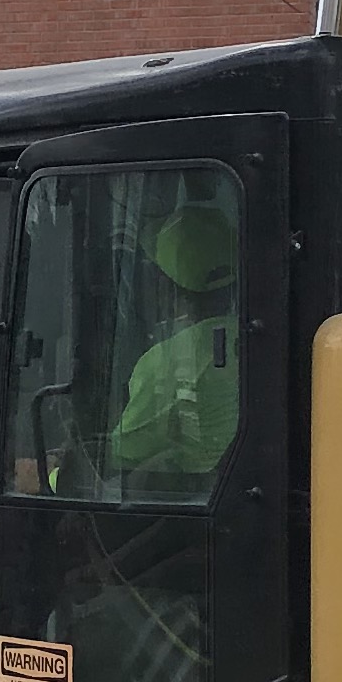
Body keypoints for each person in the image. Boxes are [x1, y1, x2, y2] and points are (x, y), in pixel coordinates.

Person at [108, 199, 241, 492]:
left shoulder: (166, 361)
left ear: (169, 289)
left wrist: (54, 476)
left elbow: (125, 455)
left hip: (193, 501)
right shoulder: (258, 340)